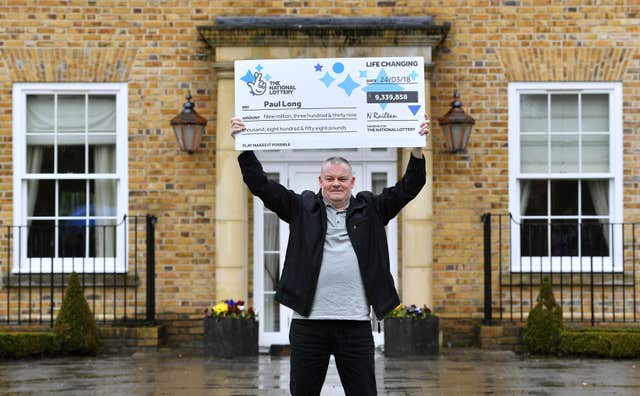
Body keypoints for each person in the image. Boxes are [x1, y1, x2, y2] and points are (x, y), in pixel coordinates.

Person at [230, 115, 430, 396]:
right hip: (308, 325)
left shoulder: (371, 209)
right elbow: (262, 186)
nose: (336, 183)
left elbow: (409, 187)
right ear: (320, 181)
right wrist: (243, 145)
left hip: (355, 325)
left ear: (352, 182)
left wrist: (417, 149)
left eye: (342, 179)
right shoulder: (301, 208)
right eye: (330, 178)